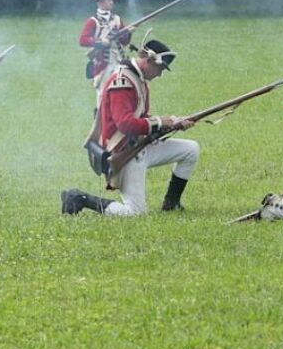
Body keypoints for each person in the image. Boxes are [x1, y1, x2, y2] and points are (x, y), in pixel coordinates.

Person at [61, 36, 198, 216]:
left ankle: (171, 204)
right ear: (149, 60)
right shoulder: (123, 82)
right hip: (126, 153)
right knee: (134, 213)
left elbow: (140, 118)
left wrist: (173, 122)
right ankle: (80, 198)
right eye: (159, 68)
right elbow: (125, 124)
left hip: (140, 146)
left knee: (191, 150)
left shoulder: (137, 79)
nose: (159, 74)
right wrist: (159, 122)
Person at [79, 0, 131, 100]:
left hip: (118, 60)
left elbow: (124, 41)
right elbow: (83, 40)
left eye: (111, 0)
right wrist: (99, 42)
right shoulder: (93, 21)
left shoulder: (116, 19)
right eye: (109, 0)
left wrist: (128, 32)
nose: (111, 2)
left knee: (119, 91)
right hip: (103, 62)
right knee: (103, 94)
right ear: (101, 3)